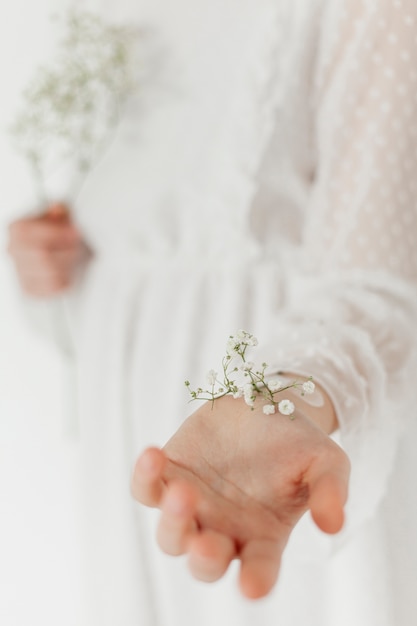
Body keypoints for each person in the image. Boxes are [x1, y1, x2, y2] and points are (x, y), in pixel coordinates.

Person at [7, 0, 417, 625]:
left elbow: (375, 280)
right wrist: (58, 267)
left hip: (262, 458)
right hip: (130, 437)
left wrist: (291, 393)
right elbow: (139, 241)